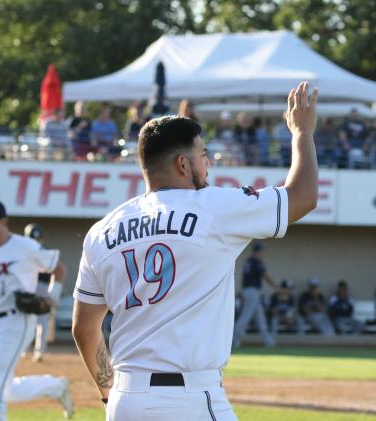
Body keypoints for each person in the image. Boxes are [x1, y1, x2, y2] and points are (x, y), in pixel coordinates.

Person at [71, 81, 319, 420]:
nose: (209, 164)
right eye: (203, 155)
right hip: (189, 398)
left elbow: (84, 329)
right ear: (182, 165)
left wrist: (108, 392)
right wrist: (302, 133)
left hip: (125, 400)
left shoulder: (103, 230)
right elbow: (303, 196)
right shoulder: (213, 206)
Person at [0, 200, 73, 420]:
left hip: (17, 320)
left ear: (2, 221)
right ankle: (55, 387)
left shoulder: (24, 247)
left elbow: (58, 268)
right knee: (4, 386)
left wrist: (52, 296)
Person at [24, 223, 67, 363]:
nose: (36, 242)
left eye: (38, 239)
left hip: (43, 287)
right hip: (28, 287)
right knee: (26, 320)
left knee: (42, 321)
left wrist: (52, 292)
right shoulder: (23, 252)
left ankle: (39, 352)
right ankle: (23, 349)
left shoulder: (46, 252)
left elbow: (59, 270)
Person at [232, 242, 278, 348]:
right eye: (262, 251)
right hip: (252, 291)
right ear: (259, 251)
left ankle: (268, 341)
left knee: (260, 317)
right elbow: (265, 276)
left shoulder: (248, 261)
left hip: (249, 291)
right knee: (246, 315)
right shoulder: (256, 261)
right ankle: (234, 339)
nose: (263, 253)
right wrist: (277, 287)